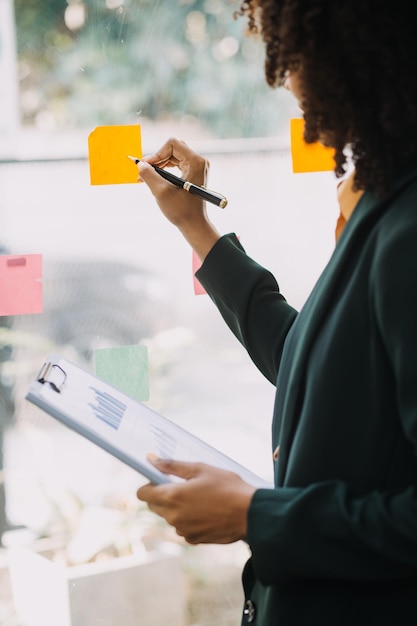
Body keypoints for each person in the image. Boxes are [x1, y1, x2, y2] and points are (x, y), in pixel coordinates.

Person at [136, 1, 417, 624]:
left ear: (356, 54)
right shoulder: (379, 199)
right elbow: (307, 360)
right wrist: (196, 227)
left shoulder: (406, 230)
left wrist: (253, 514)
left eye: (294, 53)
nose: (284, 78)